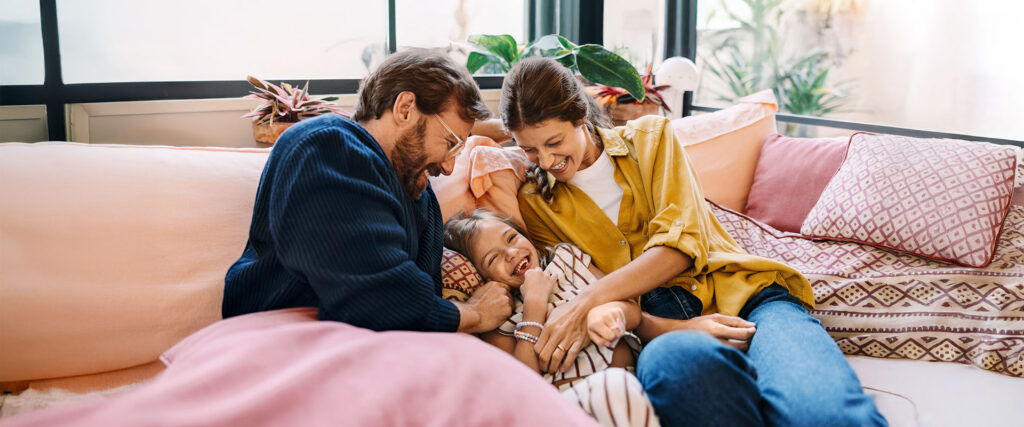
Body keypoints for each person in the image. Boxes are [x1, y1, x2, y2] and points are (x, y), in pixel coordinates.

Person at [499, 57, 886, 427]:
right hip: (665, 333)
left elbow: (677, 250)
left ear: (579, 117)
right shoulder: (538, 203)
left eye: (553, 142)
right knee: (684, 373)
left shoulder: (651, 139)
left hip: (749, 300)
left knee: (823, 412)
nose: (546, 160)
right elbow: (604, 297)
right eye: (529, 150)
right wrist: (674, 328)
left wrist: (586, 302)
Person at [222, 48, 512, 335]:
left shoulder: (423, 199)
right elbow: (376, 296)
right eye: (450, 143)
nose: (449, 167)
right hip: (281, 333)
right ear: (405, 108)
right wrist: (473, 314)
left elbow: (419, 307)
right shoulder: (325, 145)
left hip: (367, 345)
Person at [443, 209, 658, 427]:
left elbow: (632, 312)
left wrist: (608, 317)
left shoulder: (568, 260)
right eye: (493, 258)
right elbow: (527, 386)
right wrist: (533, 305)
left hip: (632, 382)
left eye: (511, 237)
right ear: (485, 279)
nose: (510, 252)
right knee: (616, 387)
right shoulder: (500, 318)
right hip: (567, 404)